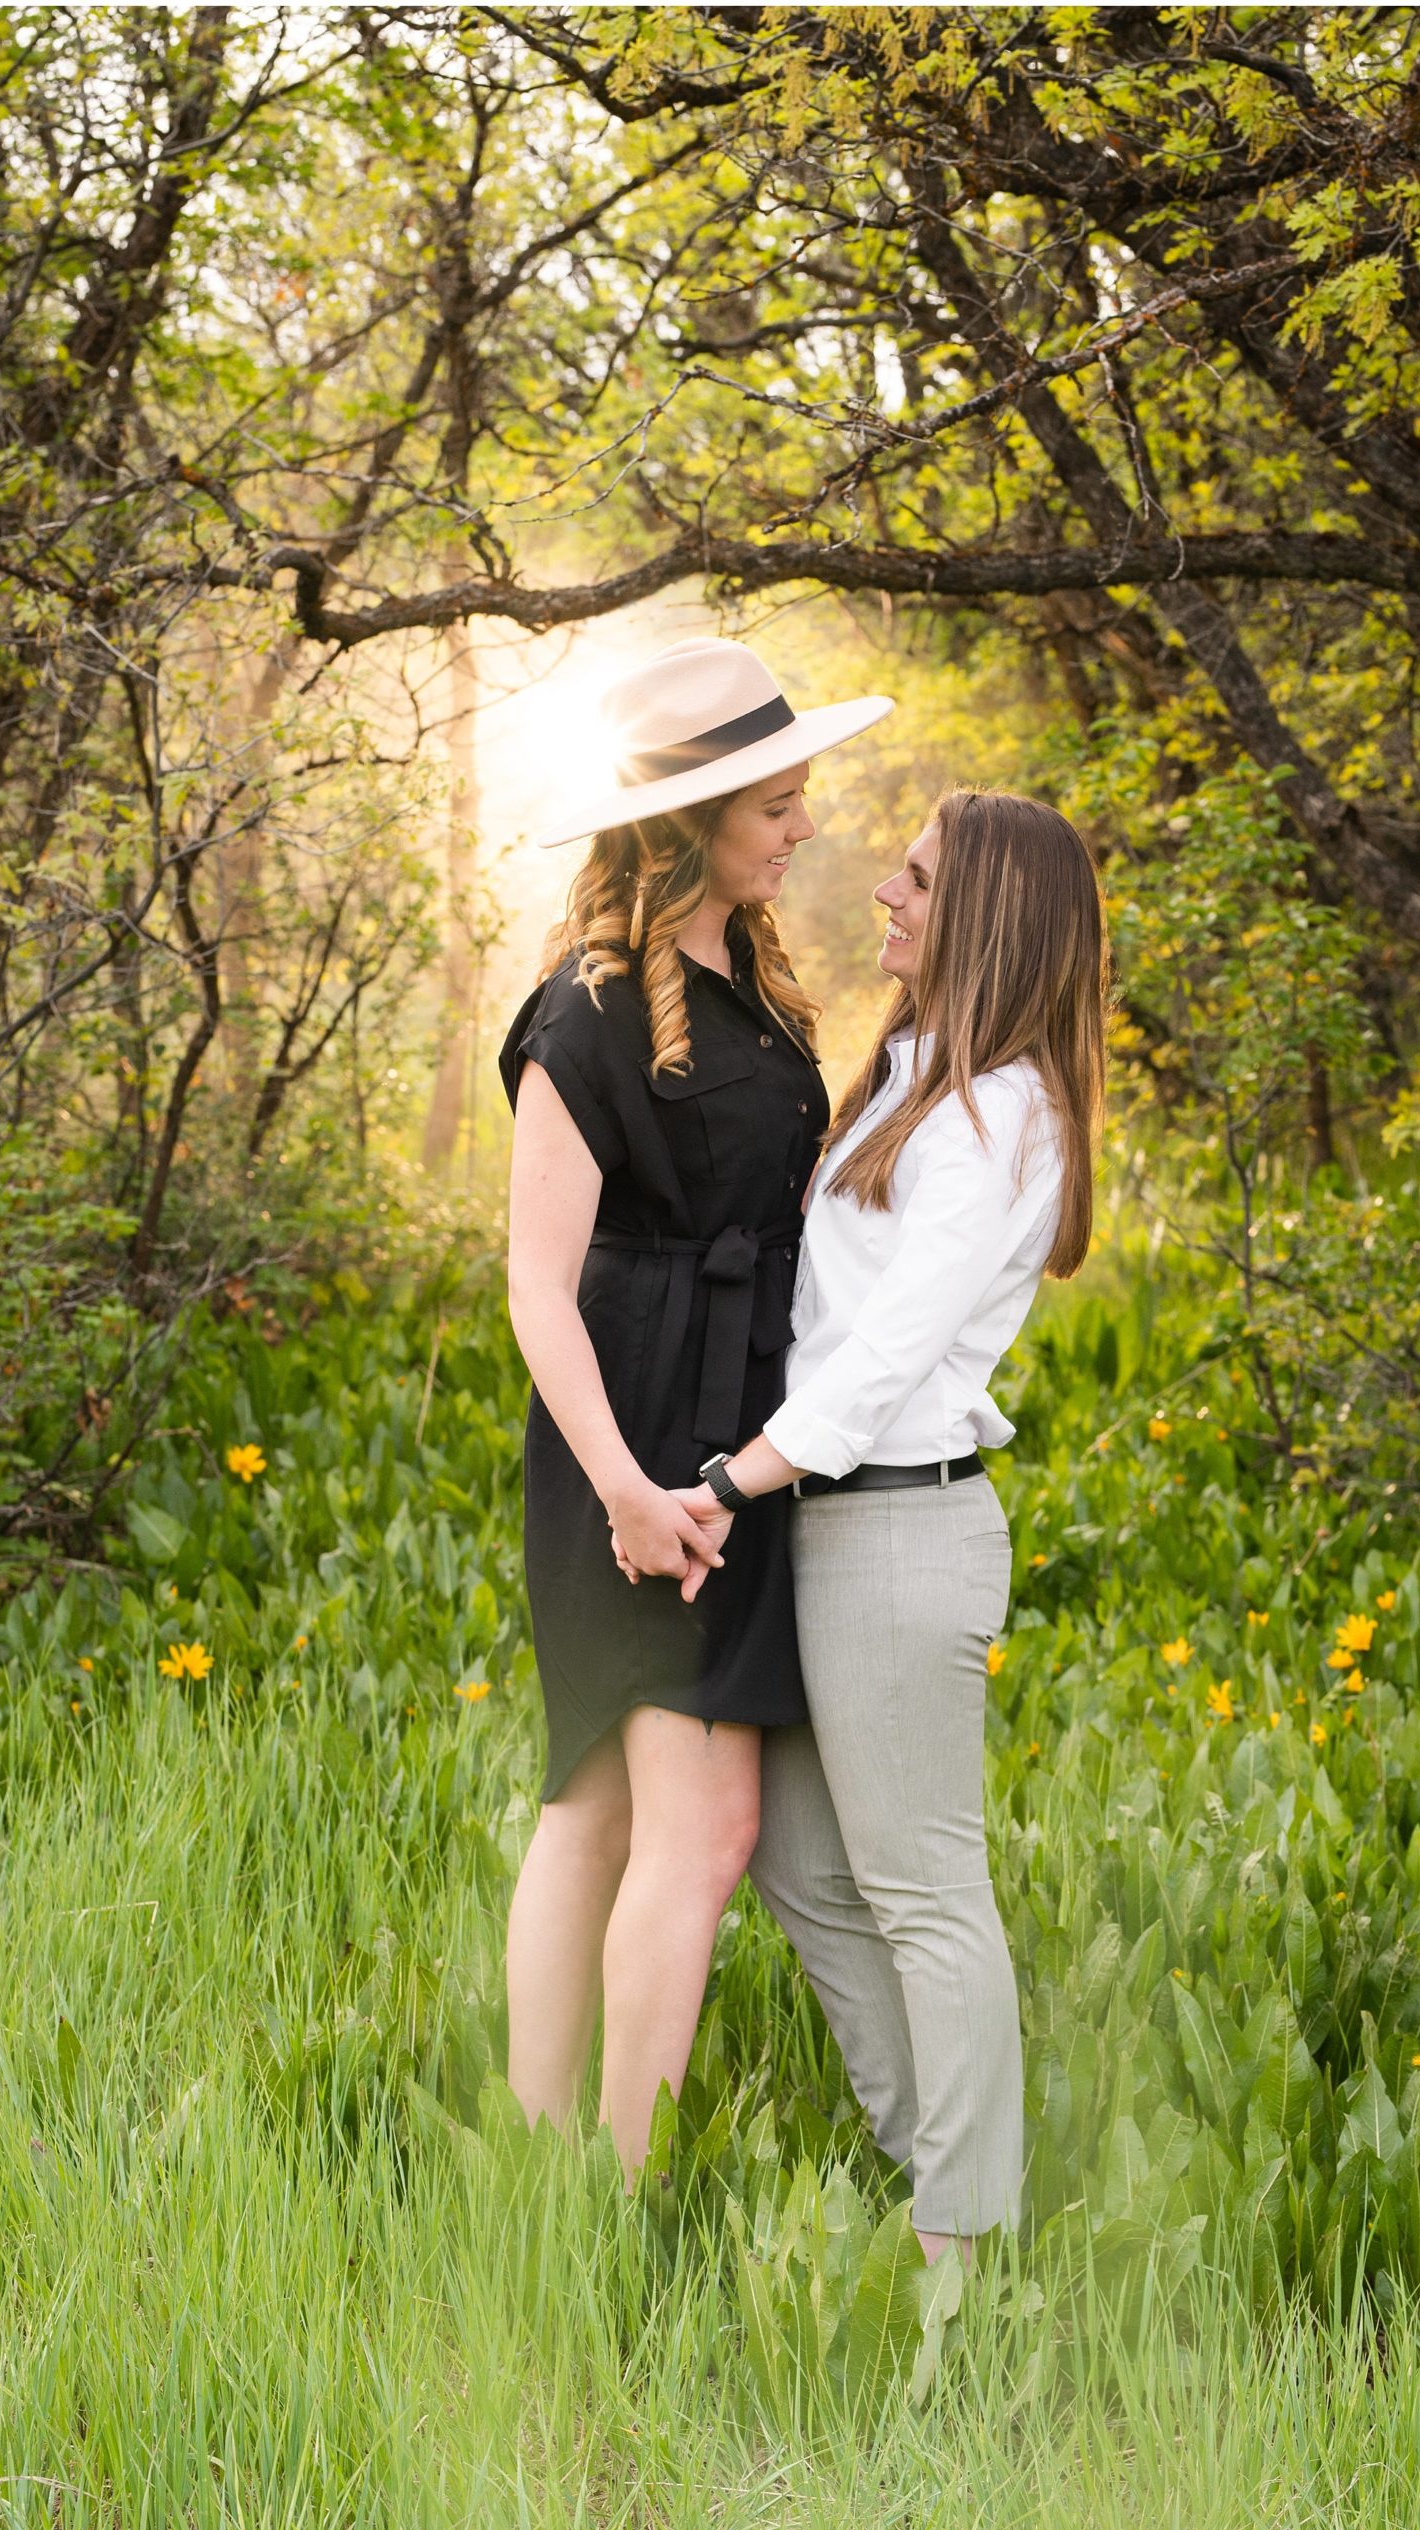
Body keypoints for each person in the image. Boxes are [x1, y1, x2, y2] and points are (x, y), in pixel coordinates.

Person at [633, 787, 1109, 2256]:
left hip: (901, 1531)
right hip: (831, 1526)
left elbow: (886, 1357)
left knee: (925, 1893)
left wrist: (721, 1484)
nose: (886, 896)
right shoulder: (914, 1072)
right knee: (796, 1859)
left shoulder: (1002, 1116)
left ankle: (962, 2248)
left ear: (986, 916)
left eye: (914, 880)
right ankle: (940, 2160)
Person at [496, 635, 894, 2174]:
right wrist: (623, 1488)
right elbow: (542, 1287)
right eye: (776, 804)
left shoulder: (752, 979)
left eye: (799, 797)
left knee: (604, 1802)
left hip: (741, 1420)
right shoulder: (582, 1011)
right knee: (666, 1817)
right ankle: (598, 2183)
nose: (804, 826)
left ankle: (562, 2177)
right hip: (638, 1429)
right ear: (687, 821)